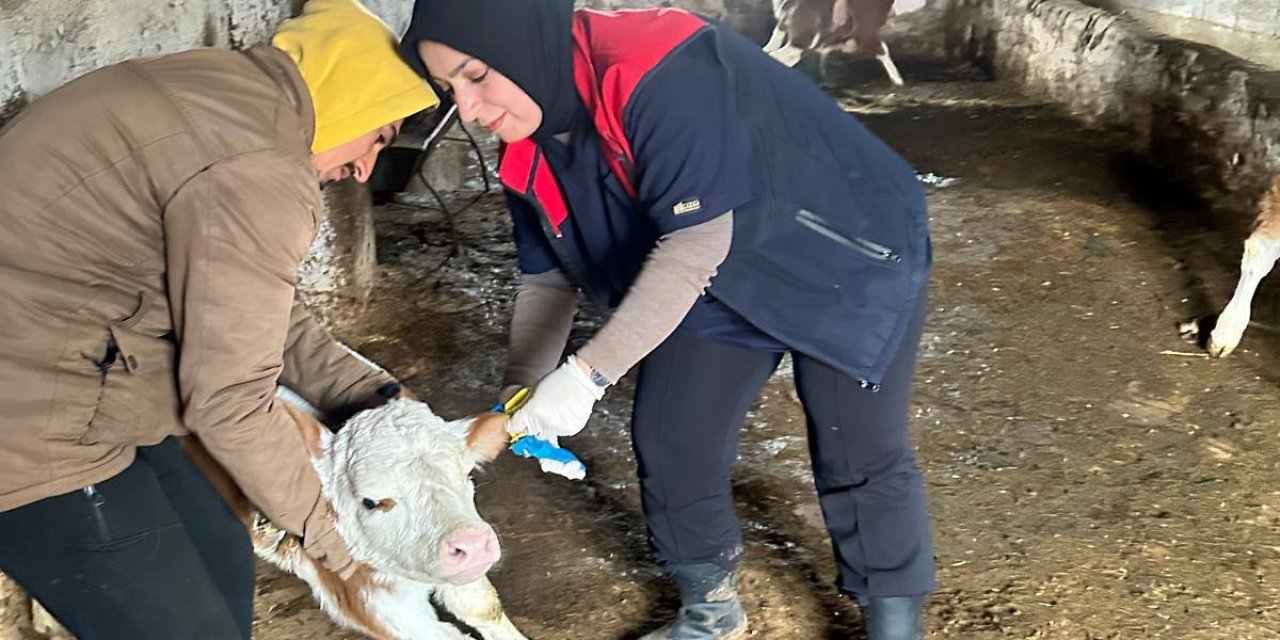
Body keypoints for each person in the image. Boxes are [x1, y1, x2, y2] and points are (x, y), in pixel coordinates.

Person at [400, 1, 935, 638]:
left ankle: (894, 622)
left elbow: (696, 241)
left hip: (838, 248)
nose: (467, 108)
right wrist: (521, 391)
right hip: (712, 273)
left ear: (524, 47)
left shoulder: (652, 65)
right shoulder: (529, 151)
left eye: (477, 74)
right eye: (447, 88)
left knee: (858, 449)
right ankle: (711, 614)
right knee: (673, 437)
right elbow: (548, 279)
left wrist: (587, 374)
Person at [0, 0, 438, 637]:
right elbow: (229, 402)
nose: (362, 170)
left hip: (83, 370)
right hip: (31, 423)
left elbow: (246, 311)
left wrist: (373, 396)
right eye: (378, 136)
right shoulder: (257, 170)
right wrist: (340, 543)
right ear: (355, 100)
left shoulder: (223, 90)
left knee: (222, 554)